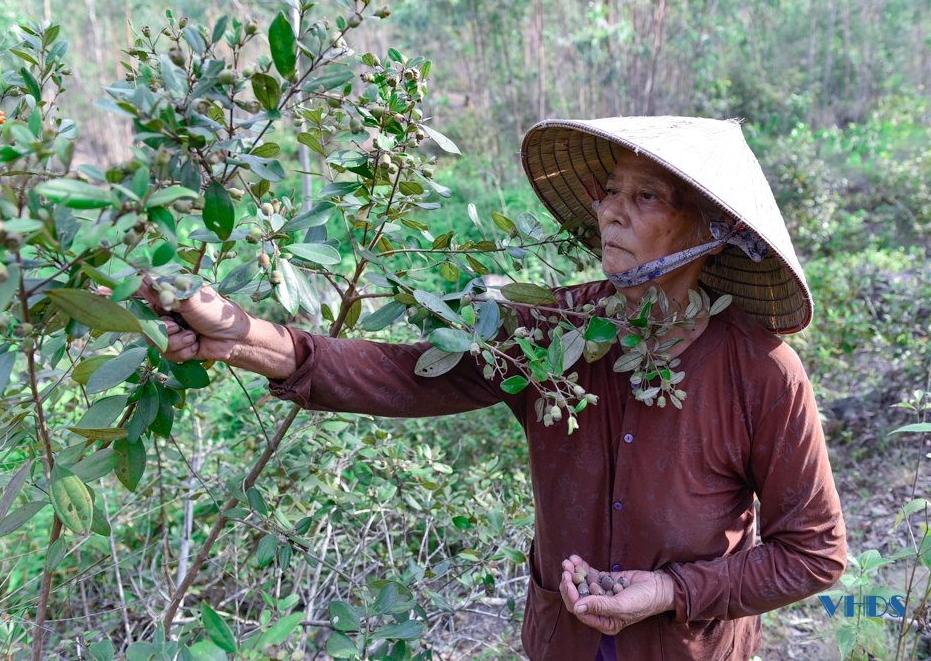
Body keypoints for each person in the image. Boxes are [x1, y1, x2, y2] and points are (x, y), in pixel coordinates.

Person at [146, 116, 847, 660]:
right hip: (562, 642)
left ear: (710, 228)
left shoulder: (759, 370)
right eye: (609, 192)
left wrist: (670, 589)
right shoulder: (553, 329)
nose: (612, 211)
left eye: (646, 196)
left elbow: (814, 551)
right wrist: (235, 335)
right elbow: (401, 373)